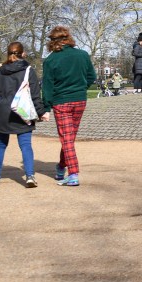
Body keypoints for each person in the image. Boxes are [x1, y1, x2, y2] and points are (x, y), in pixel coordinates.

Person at [42, 25, 97, 187]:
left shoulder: (51, 60)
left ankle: (73, 174)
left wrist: (46, 107)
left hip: (61, 102)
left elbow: (47, 86)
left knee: (67, 139)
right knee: (69, 138)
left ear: (52, 42)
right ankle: (60, 167)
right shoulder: (83, 55)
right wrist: (80, 89)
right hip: (80, 100)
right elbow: (91, 76)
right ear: (68, 38)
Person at [0, 42, 49, 187]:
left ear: (8, 53)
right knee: (26, 145)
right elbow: (35, 95)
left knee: (0, 145)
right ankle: (29, 176)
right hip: (22, 111)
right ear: (22, 54)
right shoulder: (28, 70)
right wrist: (41, 112)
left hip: (3, 110)